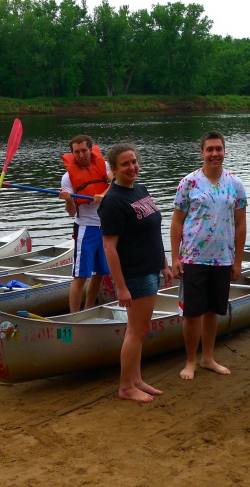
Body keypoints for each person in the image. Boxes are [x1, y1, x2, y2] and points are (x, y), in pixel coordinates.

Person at [98, 143, 173, 402]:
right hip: (135, 273)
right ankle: (125, 387)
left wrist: (164, 263)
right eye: (125, 164)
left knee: (139, 329)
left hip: (151, 267)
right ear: (114, 170)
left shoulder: (140, 189)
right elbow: (109, 247)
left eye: (134, 162)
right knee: (136, 331)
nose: (132, 167)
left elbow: (153, 229)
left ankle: (136, 379)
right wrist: (121, 286)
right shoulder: (113, 201)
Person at [170, 130, 247, 380]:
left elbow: (241, 224)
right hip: (193, 257)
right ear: (202, 152)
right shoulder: (189, 182)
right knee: (192, 313)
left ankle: (208, 358)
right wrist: (175, 258)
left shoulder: (235, 184)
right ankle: (191, 361)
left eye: (219, 149)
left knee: (213, 311)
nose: (215, 153)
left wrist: (237, 261)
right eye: (210, 149)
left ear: (224, 151)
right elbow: (176, 223)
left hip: (223, 258)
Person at [59, 135, 112, 313]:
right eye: (77, 152)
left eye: (84, 151)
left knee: (100, 273)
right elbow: (72, 212)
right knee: (80, 276)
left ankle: (88, 309)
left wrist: (104, 193)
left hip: (105, 227)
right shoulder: (67, 178)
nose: (81, 155)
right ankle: (74, 315)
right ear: (72, 154)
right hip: (85, 228)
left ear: (90, 150)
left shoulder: (104, 166)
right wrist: (68, 200)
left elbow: (117, 181)